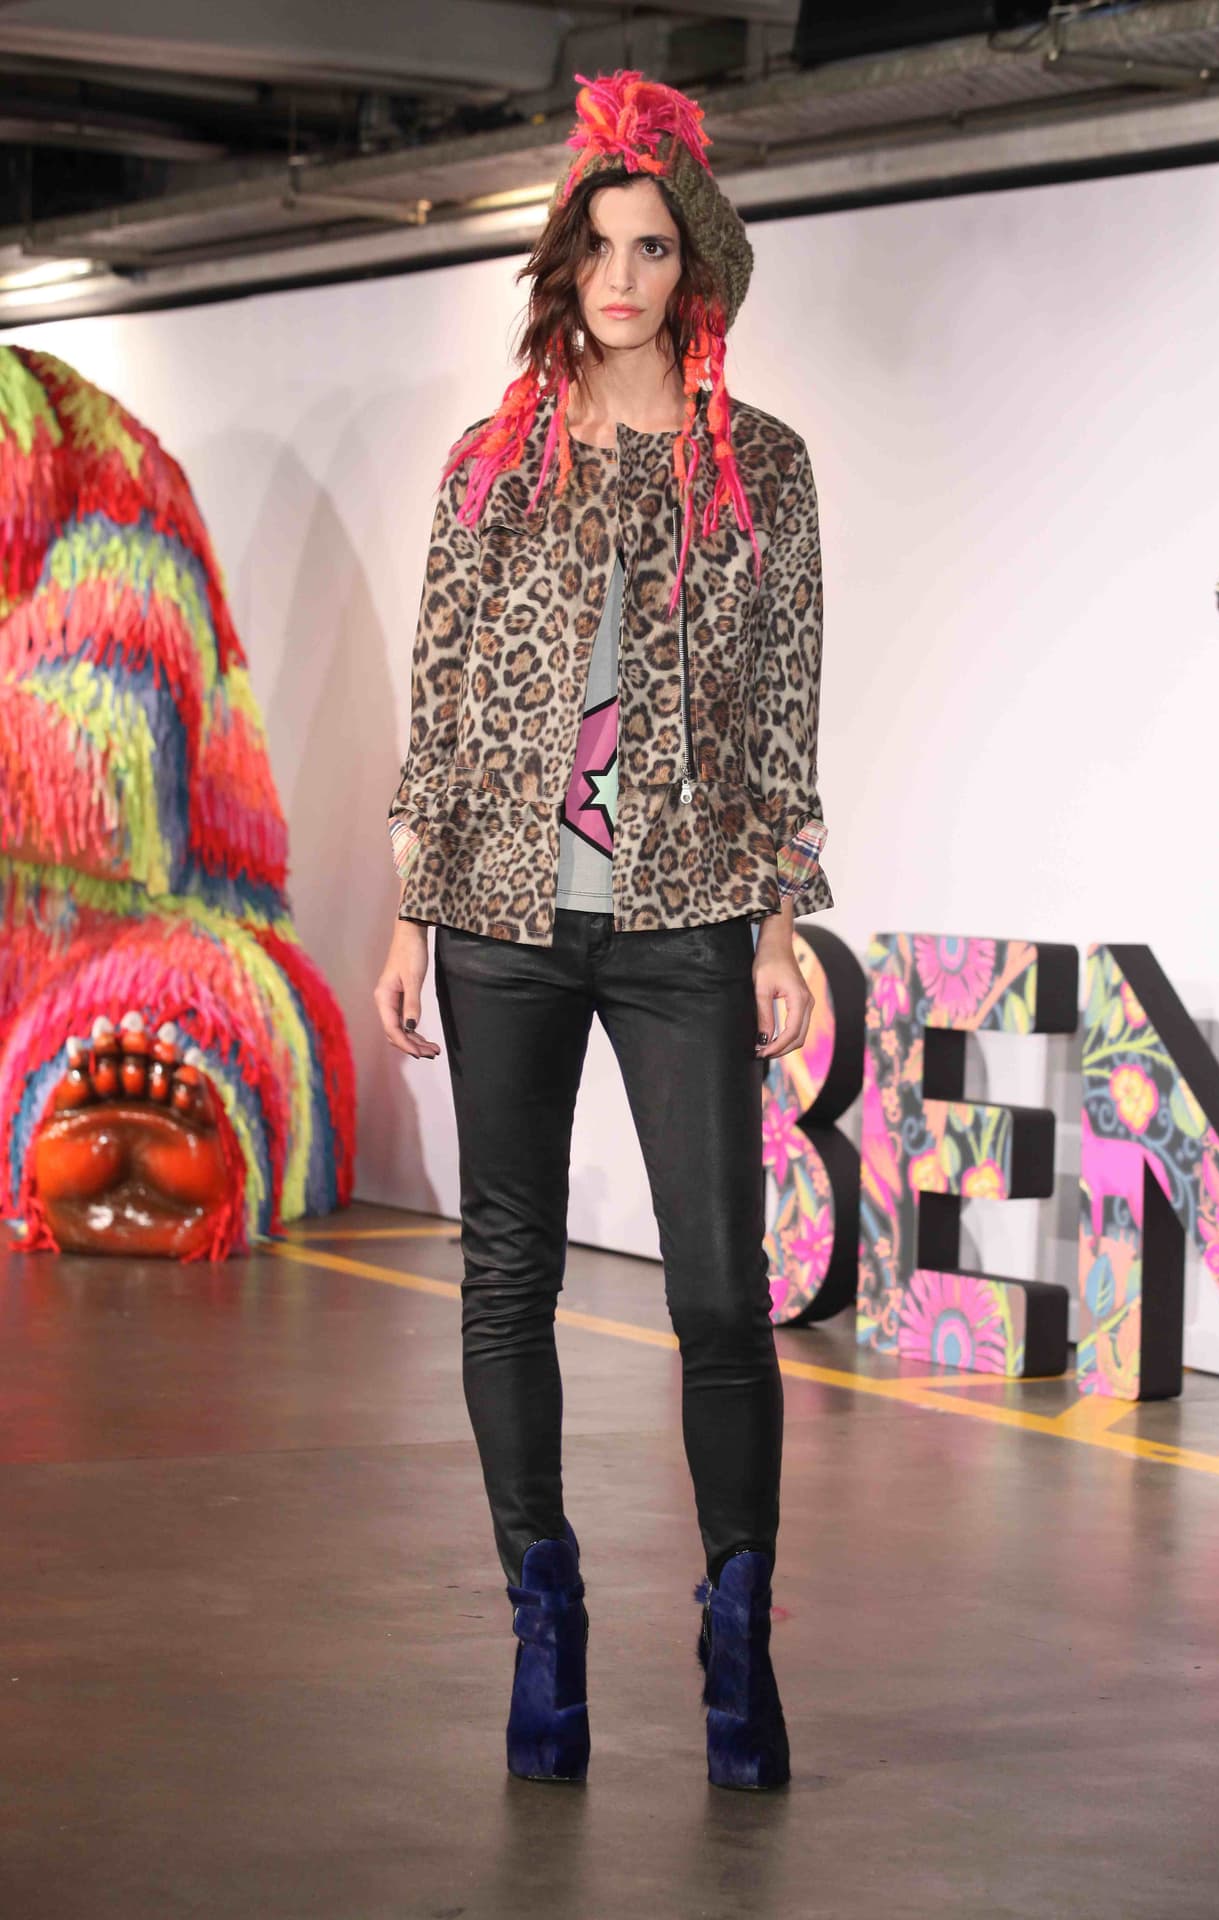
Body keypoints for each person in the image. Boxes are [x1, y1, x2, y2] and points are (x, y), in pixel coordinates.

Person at [374, 69, 833, 1792]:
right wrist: (409, 912)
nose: (622, 278)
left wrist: (778, 923)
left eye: (653, 248)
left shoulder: (761, 468)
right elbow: (439, 695)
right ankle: (542, 1623)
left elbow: (785, 710)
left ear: (692, 263)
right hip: (499, 917)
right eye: (599, 247)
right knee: (510, 1276)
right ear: (563, 264)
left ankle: (737, 1632)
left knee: (721, 1291)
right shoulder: (493, 462)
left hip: (690, 915)